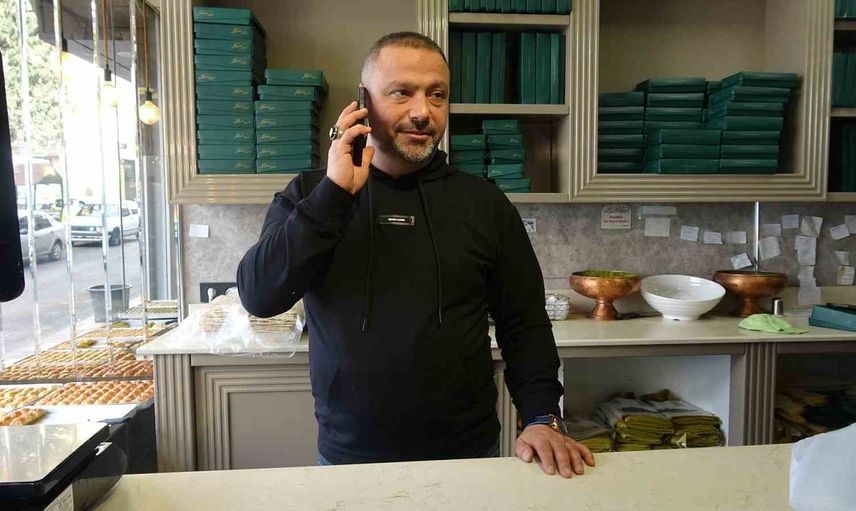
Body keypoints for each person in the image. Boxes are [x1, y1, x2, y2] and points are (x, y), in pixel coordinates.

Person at [237, 31, 594, 478]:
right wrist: (334, 193)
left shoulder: (484, 204)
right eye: (401, 92)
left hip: (469, 457)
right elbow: (260, 295)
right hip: (349, 458)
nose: (423, 111)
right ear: (363, 101)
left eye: (437, 94)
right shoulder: (311, 194)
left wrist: (543, 416)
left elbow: (524, 323)